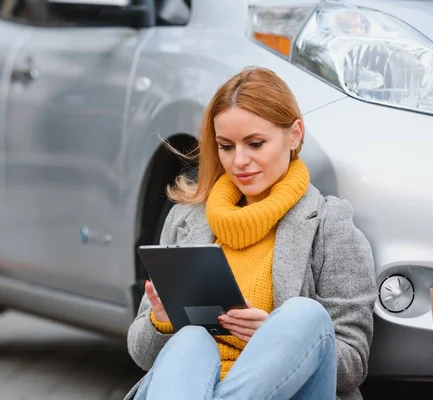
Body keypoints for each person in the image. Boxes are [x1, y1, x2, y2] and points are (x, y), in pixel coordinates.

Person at [125, 67, 377, 400]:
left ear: (295, 135)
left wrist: (274, 337)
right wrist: (160, 320)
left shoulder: (330, 224)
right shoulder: (185, 218)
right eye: (226, 147)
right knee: (192, 340)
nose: (239, 160)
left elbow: (352, 363)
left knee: (305, 317)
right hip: (186, 388)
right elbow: (143, 355)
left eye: (255, 143)